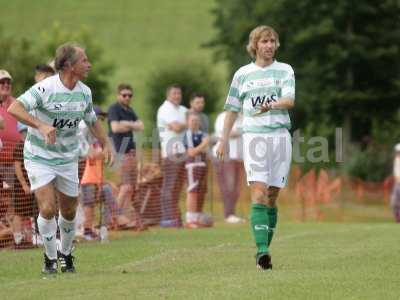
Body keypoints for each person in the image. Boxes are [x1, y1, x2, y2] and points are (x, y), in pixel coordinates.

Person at [7, 43, 113, 274]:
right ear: (69, 66)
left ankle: (66, 253)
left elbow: (92, 119)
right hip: (39, 156)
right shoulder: (45, 88)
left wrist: (106, 143)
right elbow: (14, 108)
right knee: (46, 207)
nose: (89, 64)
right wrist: (41, 125)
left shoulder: (84, 92)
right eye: (84, 60)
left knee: (69, 211)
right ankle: (49, 258)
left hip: (67, 158)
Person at [216, 25, 295, 270]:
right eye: (264, 41)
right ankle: (262, 251)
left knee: (272, 195)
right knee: (258, 191)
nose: (269, 45)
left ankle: (264, 251)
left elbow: (289, 100)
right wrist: (223, 139)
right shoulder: (242, 75)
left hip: (280, 137)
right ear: (255, 45)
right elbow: (231, 110)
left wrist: (270, 105)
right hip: (254, 139)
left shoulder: (284, 70)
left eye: (272, 41)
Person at [107, 84, 144, 229]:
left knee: (130, 187)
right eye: (124, 95)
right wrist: (132, 125)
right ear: (118, 95)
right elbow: (115, 128)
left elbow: (141, 126)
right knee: (126, 186)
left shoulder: (129, 110)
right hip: (120, 152)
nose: (127, 97)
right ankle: (114, 217)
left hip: (131, 151)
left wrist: (126, 124)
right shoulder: (114, 108)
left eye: (130, 95)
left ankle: (120, 218)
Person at [157, 84, 187, 227]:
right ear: (168, 95)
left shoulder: (181, 110)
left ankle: (175, 218)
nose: (177, 96)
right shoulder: (165, 109)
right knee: (169, 187)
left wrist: (181, 125)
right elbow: (176, 127)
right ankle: (167, 219)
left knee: (177, 187)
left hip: (182, 152)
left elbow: (195, 122)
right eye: (174, 93)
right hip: (170, 153)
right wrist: (183, 124)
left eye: (179, 93)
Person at [213, 111, 245, 224]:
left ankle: (232, 213)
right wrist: (243, 130)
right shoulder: (223, 117)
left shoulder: (243, 117)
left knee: (236, 188)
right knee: (228, 187)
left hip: (239, 157)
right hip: (225, 157)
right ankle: (229, 214)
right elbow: (226, 134)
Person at [183, 112, 212, 228]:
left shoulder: (202, 134)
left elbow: (206, 151)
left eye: (196, 120)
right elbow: (191, 152)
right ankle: (190, 219)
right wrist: (204, 144)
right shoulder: (187, 135)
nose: (194, 122)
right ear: (187, 122)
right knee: (192, 191)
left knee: (201, 191)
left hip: (203, 165)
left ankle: (198, 216)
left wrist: (204, 146)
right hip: (193, 165)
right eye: (192, 120)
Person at [0, 70, 21, 192]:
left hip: (16, 165)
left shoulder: (18, 104)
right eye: (2, 82)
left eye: (8, 82)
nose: (6, 85)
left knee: (14, 204)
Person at [391, 144, 400, 223]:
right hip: (397, 184)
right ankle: (397, 219)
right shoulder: (396, 160)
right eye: (397, 151)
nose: (397, 153)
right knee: (394, 202)